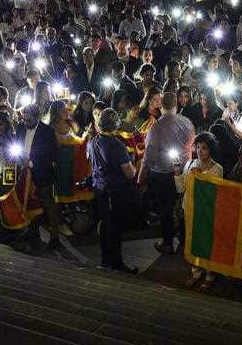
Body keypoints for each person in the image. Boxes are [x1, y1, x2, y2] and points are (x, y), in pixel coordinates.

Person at [138, 92, 195, 255]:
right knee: (184, 206)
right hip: (184, 170)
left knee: (165, 208)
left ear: (160, 106)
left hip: (162, 174)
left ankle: (168, 242)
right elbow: (192, 144)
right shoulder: (187, 122)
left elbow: (148, 156)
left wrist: (142, 175)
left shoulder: (156, 127)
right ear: (176, 105)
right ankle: (186, 240)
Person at [87, 108, 139, 273]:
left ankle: (104, 260)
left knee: (104, 224)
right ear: (115, 125)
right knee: (115, 228)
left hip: (99, 189)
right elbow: (130, 173)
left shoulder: (93, 141)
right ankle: (117, 262)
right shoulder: (117, 146)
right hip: (115, 191)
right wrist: (137, 165)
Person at [174, 132, 223, 290]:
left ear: (211, 150)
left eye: (204, 148)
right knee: (192, 241)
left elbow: (214, 191)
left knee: (207, 242)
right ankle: (195, 272)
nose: (200, 151)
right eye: (198, 147)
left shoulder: (217, 169)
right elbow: (181, 188)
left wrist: (200, 175)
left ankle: (209, 274)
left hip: (207, 212)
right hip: (189, 209)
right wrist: (177, 173)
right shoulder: (189, 164)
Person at [15, 103, 61, 248]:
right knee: (27, 202)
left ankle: (54, 237)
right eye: (23, 119)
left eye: (28, 120)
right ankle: (31, 231)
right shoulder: (21, 127)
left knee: (48, 204)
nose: (25, 122)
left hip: (42, 173)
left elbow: (52, 154)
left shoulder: (47, 131)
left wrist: (32, 163)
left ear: (37, 117)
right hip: (24, 172)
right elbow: (17, 144)